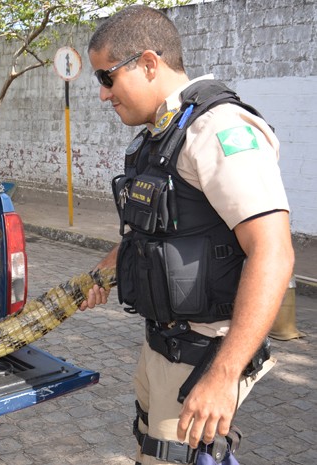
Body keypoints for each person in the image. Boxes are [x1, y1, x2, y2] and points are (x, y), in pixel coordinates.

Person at [80, 5, 294, 465]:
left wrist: (223, 375)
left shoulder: (218, 130)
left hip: (203, 358)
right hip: (162, 347)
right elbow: (160, 235)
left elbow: (273, 253)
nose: (103, 95)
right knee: (149, 448)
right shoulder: (161, 136)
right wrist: (106, 268)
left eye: (106, 78)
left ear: (149, 63)